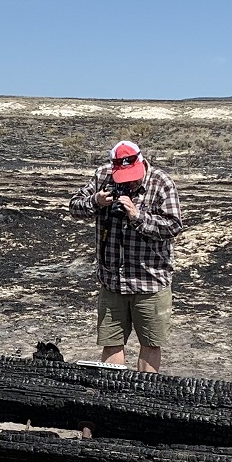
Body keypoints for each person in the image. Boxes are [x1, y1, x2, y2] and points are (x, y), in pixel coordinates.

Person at [69, 140, 185, 372]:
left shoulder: (161, 182)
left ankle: (144, 397)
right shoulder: (102, 177)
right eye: (123, 178)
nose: (129, 183)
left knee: (150, 344)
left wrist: (137, 216)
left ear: (141, 163)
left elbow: (173, 226)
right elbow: (74, 206)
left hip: (150, 281)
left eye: (132, 176)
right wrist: (96, 202)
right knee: (111, 343)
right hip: (113, 281)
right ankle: (112, 399)